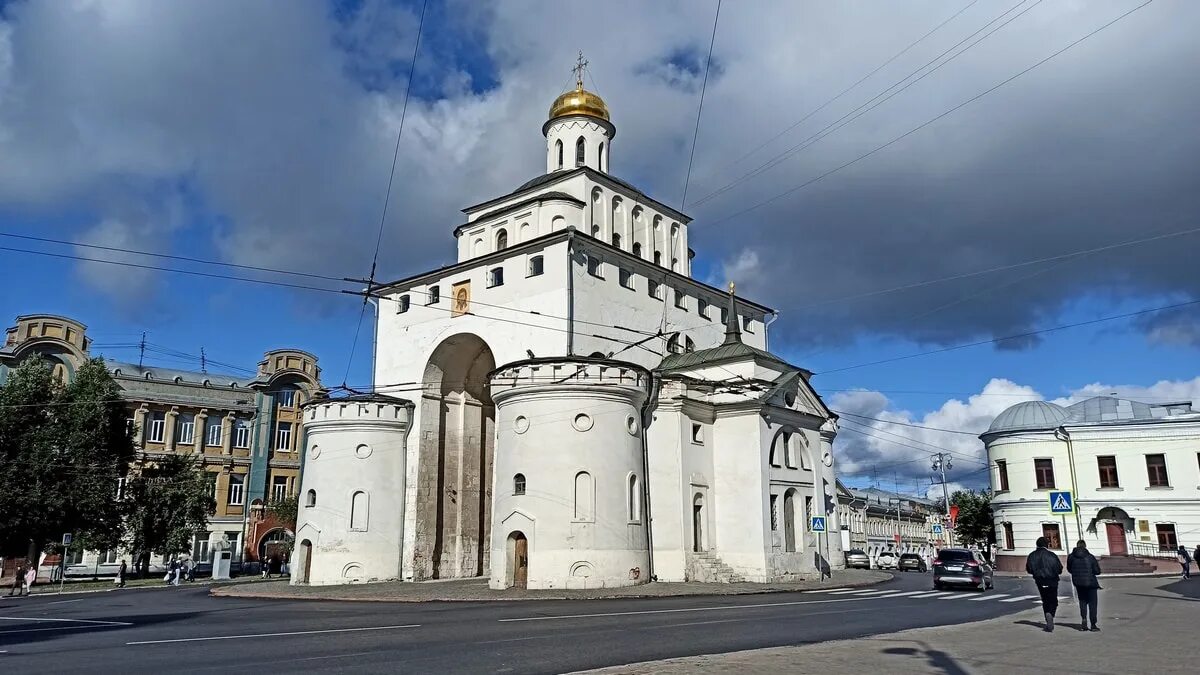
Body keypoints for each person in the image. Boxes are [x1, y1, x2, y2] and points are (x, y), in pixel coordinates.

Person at [1026, 536, 1064, 632]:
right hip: (1052, 581)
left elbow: (1029, 569)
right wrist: (1055, 573)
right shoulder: (1051, 555)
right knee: (1053, 600)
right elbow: (1059, 568)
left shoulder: (1031, 555)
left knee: (1045, 600)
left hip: (1039, 581)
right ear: (1046, 545)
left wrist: (1036, 574)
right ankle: (1050, 613)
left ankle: (1047, 615)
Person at [1066, 540, 1102, 632]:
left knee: (1082, 602)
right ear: (1085, 546)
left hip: (1079, 583)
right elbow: (1097, 571)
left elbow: (1069, 569)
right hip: (1091, 583)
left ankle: (1084, 620)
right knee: (1092, 604)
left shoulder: (1071, 557)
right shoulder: (1090, 557)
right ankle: (1093, 625)